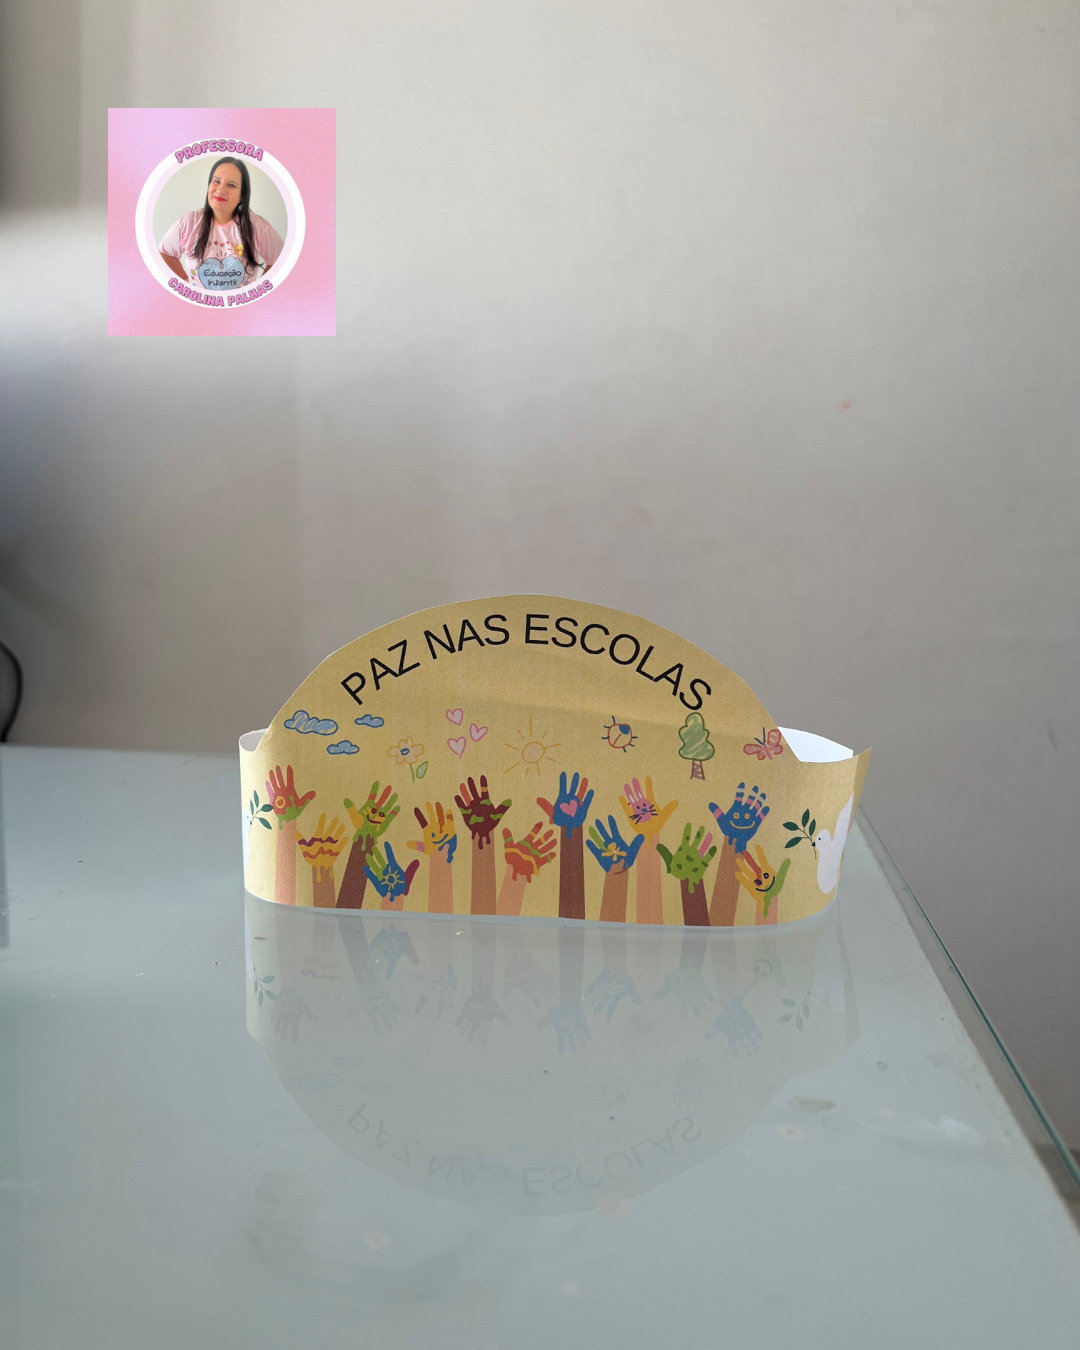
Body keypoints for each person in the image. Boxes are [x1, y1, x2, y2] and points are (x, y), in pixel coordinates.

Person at [159, 157, 284, 294]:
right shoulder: (188, 223)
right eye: (217, 181)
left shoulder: (257, 226)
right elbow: (165, 253)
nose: (220, 189)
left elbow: (282, 259)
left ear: (242, 196)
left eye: (231, 185)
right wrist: (183, 279)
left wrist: (258, 291)